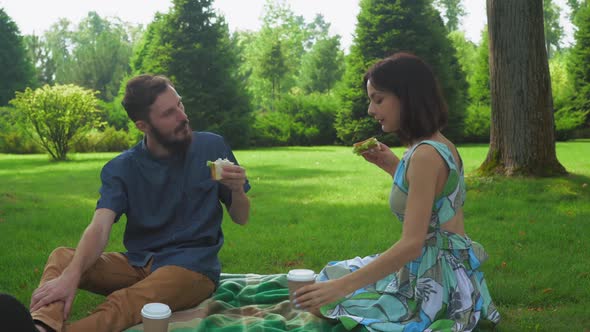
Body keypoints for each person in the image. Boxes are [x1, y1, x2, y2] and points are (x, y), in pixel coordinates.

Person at [294, 53, 500, 331]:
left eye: (378, 99)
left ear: (408, 97)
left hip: (436, 282)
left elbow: (412, 244)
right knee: (327, 280)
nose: (370, 109)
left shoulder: (425, 155)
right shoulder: (437, 144)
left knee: (328, 299)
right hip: (442, 267)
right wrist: (394, 167)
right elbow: (434, 205)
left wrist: (341, 289)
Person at [29, 74, 251, 332]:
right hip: (139, 264)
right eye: (169, 113)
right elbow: (100, 227)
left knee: (126, 302)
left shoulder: (212, 146)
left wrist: (237, 191)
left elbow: (241, 217)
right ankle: (42, 324)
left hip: (192, 268)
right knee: (63, 259)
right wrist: (70, 275)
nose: (183, 117)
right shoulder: (121, 168)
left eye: (180, 105)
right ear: (143, 125)